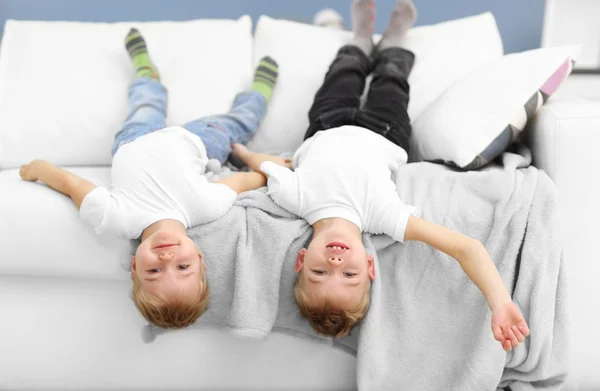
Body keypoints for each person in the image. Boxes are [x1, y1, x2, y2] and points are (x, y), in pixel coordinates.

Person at [231, 0, 531, 351]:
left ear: (301, 260)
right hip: (384, 131)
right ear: (370, 266)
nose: (335, 263)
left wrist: (243, 153)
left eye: (319, 273)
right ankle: (393, 41)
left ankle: (360, 36)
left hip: (325, 125)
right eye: (349, 275)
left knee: (343, 72)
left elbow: (266, 166)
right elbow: (466, 248)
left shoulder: (295, 199)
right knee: (391, 77)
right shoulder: (383, 215)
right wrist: (499, 302)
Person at [19, 28, 280, 329]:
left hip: (134, 141)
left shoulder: (117, 219)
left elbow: (74, 187)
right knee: (240, 123)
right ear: (198, 256)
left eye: (154, 272)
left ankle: (146, 70)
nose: (167, 258)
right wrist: (266, 170)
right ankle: (258, 94)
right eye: (183, 266)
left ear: (134, 267)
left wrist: (42, 170)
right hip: (199, 140)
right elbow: (241, 183)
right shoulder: (205, 207)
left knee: (146, 102)